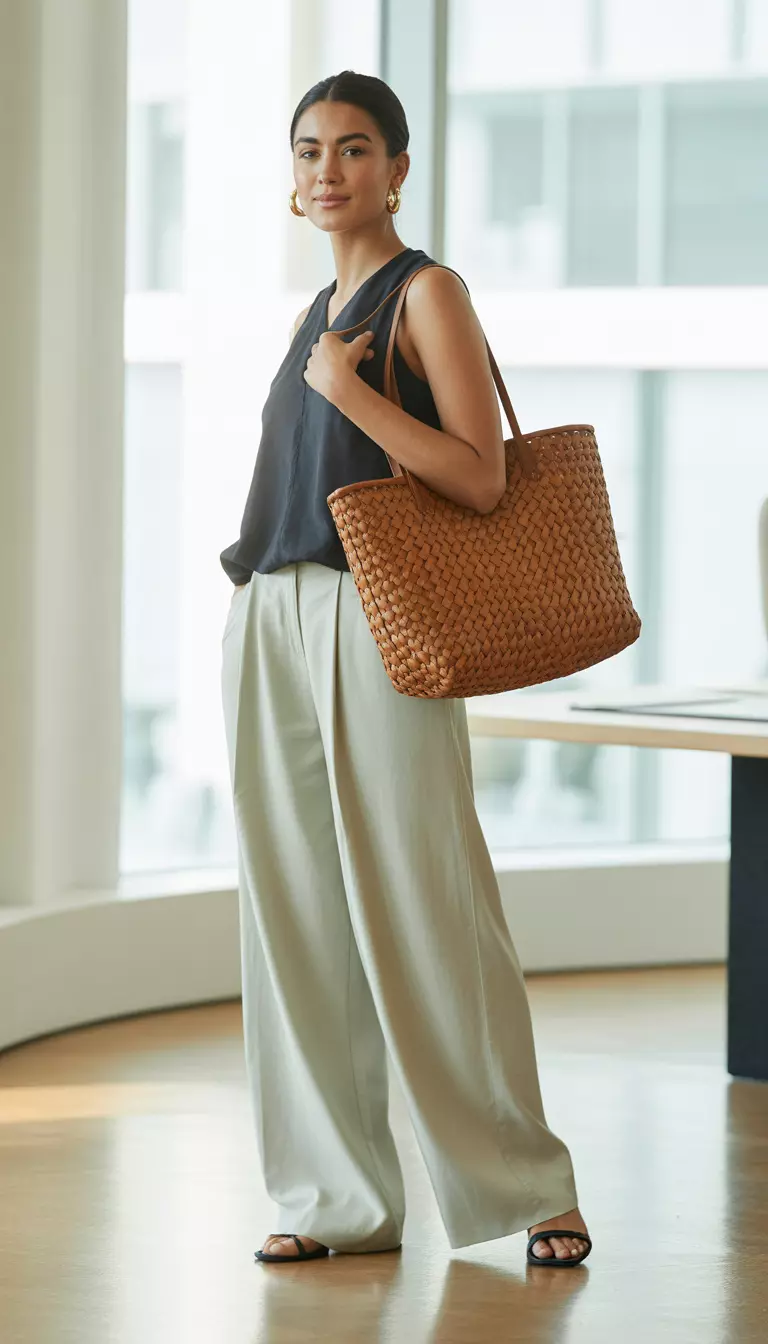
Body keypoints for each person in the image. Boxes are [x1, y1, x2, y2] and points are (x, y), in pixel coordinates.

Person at [219, 69, 592, 1269]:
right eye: (310, 149)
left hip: (379, 618)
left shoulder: (426, 292)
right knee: (294, 920)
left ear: (399, 168)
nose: (329, 169)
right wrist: (321, 368)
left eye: (356, 148)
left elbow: (482, 475)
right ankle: (337, 1201)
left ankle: (530, 1183)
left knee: (429, 904)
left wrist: (351, 394)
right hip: (270, 610)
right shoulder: (311, 314)